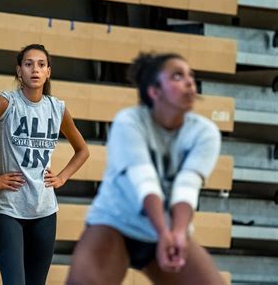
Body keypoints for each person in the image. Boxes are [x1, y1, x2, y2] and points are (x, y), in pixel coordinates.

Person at [66, 52, 225, 285]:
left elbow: (187, 186)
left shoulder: (205, 132)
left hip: (168, 230)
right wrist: (163, 233)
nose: (190, 81)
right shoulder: (129, 122)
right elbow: (145, 182)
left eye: (191, 75)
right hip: (115, 224)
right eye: (177, 76)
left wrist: (178, 234)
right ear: (154, 91)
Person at [0, 44, 89, 285]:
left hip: (45, 211)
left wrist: (62, 177)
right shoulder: (6, 103)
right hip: (9, 210)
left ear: (48, 72)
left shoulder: (57, 108)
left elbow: (83, 150)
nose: (35, 69)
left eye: (41, 64)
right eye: (28, 64)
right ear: (19, 71)